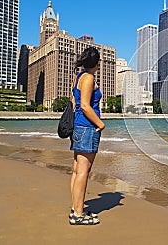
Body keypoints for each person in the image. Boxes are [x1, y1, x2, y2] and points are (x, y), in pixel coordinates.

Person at [69, 47, 105, 225]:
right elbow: (84, 105)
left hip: (79, 127)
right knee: (83, 171)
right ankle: (78, 215)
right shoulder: (89, 78)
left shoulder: (80, 77)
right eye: (99, 60)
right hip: (88, 128)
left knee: (77, 171)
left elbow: (73, 101)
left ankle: (76, 208)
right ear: (96, 62)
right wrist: (100, 123)